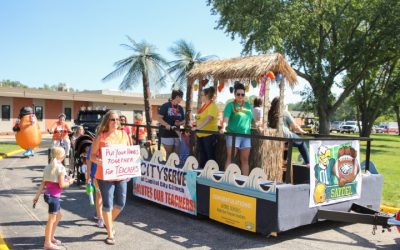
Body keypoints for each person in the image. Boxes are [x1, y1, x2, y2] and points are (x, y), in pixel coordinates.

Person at [90, 110, 130, 245]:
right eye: (112, 119)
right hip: (104, 175)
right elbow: (92, 156)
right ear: (107, 121)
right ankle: (110, 233)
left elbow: (129, 153)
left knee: (121, 203)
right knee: (107, 204)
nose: (115, 122)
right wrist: (99, 161)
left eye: (117, 119)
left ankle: (108, 223)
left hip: (121, 174)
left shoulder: (124, 134)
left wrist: (131, 168)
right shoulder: (101, 136)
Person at [32, 146, 74, 250]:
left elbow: (43, 183)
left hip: (48, 195)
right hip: (54, 197)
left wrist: (36, 196)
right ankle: (47, 243)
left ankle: (50, 237)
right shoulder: (61, 168)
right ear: (63, 156)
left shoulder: (48, 166)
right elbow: (61, 185)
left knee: (58, 216)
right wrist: (70, 181)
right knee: (51, 220)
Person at [220, 82, 253, 176]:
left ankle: (246, 181)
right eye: (238, 94)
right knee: (230, 158)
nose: (240, 96)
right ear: (234, 94)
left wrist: (260, 126)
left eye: (242, 94)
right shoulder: (230, 105)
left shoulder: (248, 106)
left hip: (246, 136)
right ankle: (227, 180)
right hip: (233, 135)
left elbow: (253, 120)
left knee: (245, 160)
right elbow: (225, 119)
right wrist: (223, 127)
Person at [268, 97, 310, 165]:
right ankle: (308, 163)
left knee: (286, 144)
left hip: (275, 138)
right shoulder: (285, 112)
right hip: (285, 136)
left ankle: (284, 160)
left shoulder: (269, 113)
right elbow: (295, 126)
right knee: (301, 142)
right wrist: (302, 131)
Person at [192, 87, 219, 168]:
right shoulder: (204, 106)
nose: (200, 96)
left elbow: (208, 118)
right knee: (202, 155)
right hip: (201, 135)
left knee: (210, 156)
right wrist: (194, 124)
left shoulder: (212, 105)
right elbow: (199, 118)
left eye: (202, 95)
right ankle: (201, 173)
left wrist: (198, 128)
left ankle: (212, 174)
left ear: (207, 95)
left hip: (209, 135)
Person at [157, 90, 185, 160]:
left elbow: (183, 121)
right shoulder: (165, 106)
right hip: (166, 133)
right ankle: (168, 169)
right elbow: (159, 118)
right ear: (177, 97)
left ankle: (175, 170)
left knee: (176, 154)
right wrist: (166, 125)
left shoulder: (181, 108)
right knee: (169, 153)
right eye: (181, 97)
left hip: (177, 134)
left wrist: (180, 123)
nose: (182, 99)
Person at [86, 145, 104, 228]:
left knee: (104, 196)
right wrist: (88, 176)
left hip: (108, 175)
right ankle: (100, 218)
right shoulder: (93, 147)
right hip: (95, 175)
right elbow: (89, 162)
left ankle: (98, 213)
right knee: (99, 195)